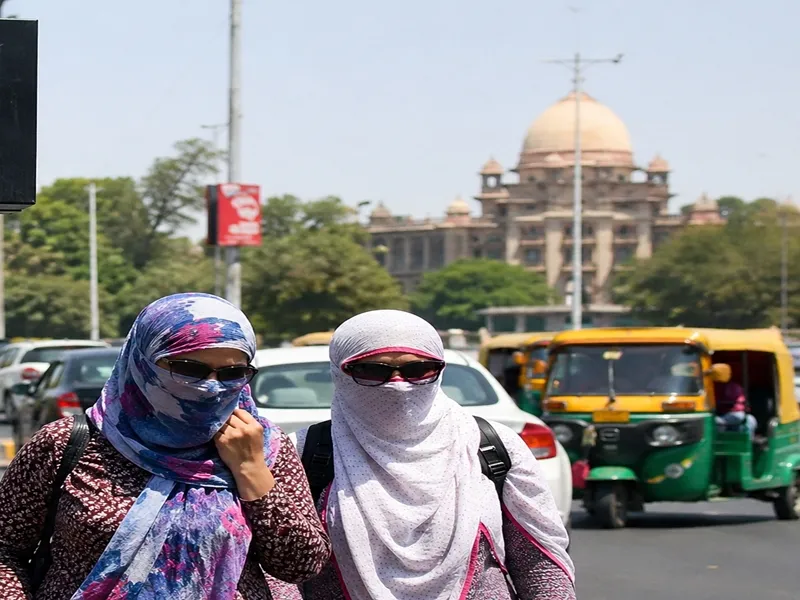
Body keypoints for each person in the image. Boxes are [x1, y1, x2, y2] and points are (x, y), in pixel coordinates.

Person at [0, 293, 330, 599]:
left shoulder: (262, 446)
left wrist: (251, 470)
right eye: (189, 369)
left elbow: (301, 566)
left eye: (232, 372)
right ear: (142, 363)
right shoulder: (67, 444)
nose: (210, 387)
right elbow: (5, 549)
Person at [295, 310, 575, 600]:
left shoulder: (489, 445)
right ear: (339, 372)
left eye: (418, 370)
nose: (398, 384)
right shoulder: (304, 451)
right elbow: (280, 573)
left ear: (439, 370)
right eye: (371, 370)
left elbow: (538, 563)